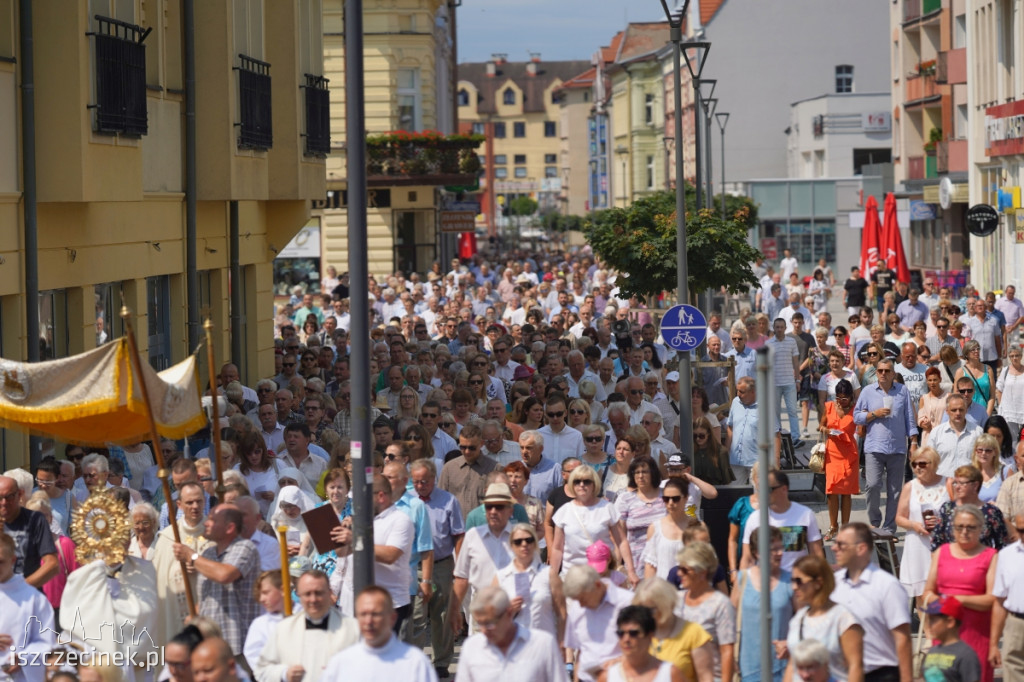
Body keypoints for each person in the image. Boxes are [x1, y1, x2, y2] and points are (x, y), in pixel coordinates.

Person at [172, 505, 260, 660]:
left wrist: (191, 556)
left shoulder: (245, 547)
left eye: (212, 519)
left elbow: (224, 575)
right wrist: (194, 615)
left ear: (229, 528)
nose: (206, 522)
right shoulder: (208, 553)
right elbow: (206, 595)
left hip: (235, 647)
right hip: (206, 645)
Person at [922, 504, 998, 682]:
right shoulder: (942, 552)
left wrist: (959, 599)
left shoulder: (990, 555)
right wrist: (939, 601)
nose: (964, 531)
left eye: (970, 527)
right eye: (959, 527)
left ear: (981, 529)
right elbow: (927, 592)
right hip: (945, 633)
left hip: (976, 633)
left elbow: (993, 599)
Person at [830, 522, 912, 682]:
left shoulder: (887, 586)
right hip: (840, 675)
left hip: (878, 674)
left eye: (840, 544)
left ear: (861, 548)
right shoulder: (833, 584)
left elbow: (902, 638)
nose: (833, 548)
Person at [408, 459, 463, 679]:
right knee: (416, 616)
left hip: (442, 564)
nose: (420, 485)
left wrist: (458, 566)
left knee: (442, 615)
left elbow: (458, 535)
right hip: (414, 566)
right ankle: (415, 661)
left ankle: (441, 662)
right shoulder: (406, 500)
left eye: (425, 481)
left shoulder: (448, 500)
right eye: (416, 481)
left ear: (434, 479)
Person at [853, 358, 919, 534]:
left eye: (886, 371)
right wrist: (873, 414)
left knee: (895, 490)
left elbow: (910, 419)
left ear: (893, 374)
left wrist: (913, 442)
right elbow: (856, 417)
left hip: (897, 447)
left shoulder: (902, 391)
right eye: (880, 371)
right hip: (874, 447)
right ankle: (875, 523)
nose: (882, 374)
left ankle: (889, 529)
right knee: (873, 485)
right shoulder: (868, 391)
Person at [320, 586, 438, 682]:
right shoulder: (341, 662)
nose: (369, 621)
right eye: (363, 614)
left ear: (392, 618)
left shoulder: (415, 662)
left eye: (376, 614)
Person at [549, 465, 639, 587]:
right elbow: (557, 548)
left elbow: (622, 541)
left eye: (586, 481)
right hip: (572, 576)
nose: (581, 485)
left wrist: (631, 571)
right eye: (577, 481)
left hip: (602, 576)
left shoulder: (607, 508)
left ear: (594, 484)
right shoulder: (564, 511)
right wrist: (553, 576)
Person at [455, 585, 566, 682]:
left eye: (489, 623)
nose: (484, 630)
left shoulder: (542, 644)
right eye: (480, 623)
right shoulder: (472, 647)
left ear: (508, 613)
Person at [448, 482, 515, 634]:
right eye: (488, 507)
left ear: (510, 510)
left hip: (513, 609)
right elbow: (461, 577)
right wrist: (454, 610)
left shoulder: (521, 537)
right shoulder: (473, 536)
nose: (492, 511)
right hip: (481, 608)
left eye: (499, 507)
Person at [785, 555, 864, 682]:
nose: (794, 587)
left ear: (818, 583)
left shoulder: (843, 619)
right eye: (792, 581)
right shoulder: (798, 619)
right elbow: (791, 665)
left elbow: (855, 666)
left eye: (799, 581)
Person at [731, 526, 792, 682]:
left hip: (783, 670)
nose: (780, 553)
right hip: (747, 669)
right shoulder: (742, 579)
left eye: (780, 548)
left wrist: (791, 643)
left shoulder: (791, 581)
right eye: (773, 549)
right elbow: (729, 620)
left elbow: (806, 620)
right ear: (757, 552)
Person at [562, 564, 635, 682]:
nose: (581, 605)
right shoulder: (577, 607)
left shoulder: (627, 603)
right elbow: (581, 651)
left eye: (583, 599)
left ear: (597, 585)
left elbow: (643, 646)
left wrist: (617, 662)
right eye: (577, 600)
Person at [675, 541, 736, 682]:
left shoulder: (720, 604)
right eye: (679, 568)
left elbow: (727, 650)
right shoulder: (677, 600)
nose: (679, 573)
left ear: (702, 572)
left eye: (685, 570)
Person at [894, 446, 949, 600]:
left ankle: (938, 623)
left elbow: (958, 512)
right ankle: (925, 625)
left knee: (942, 593)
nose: (918, 467)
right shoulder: (910, 487)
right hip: (917, 544)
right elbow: (899, 518)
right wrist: (914, 525)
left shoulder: (948, 484)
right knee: (921, 595)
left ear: (934, 463)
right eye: (914, 464)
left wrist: (942, 523)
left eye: (922, 464)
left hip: (942, 545)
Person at [742, 469, 825, 571]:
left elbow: (816, 553)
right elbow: (747, 558)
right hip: (766, 583)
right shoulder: (755, 518)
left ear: (784, 489)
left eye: (768, 489)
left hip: (797, 582)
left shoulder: (805, 515)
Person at [0, 531, 54, 682]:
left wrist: (24, 658)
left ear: (12, 560)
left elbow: (46, 642)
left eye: (0, 562)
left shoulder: (34, 599)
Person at [493, 523, 555, 637]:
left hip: (543, 646)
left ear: (535, 543)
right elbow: (491, 616)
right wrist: (509, 610)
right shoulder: (501, 577)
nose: (524, 544)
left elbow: (562, 612)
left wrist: (564, 647)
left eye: (529, 540)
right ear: (511, 545)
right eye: (518, 541)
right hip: (513, 647)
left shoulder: (549, 574)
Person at [594, 605, 684, 682]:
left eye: (633, 633)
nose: (626, 639)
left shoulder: (671, 674)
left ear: (650, 635)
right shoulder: (608, 677)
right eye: (621, 633)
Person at [931, 465, 1008, 551]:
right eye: (955, 483)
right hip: (951, 562)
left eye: (962, 483)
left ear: (975, 485)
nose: (957, 487)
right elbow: (936, 542)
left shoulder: (991, 512)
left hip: (982, 562)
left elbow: (1002, 545)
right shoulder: (947, 508)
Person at [817, 379, 859, 539]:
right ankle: (833, 526)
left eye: (844, 398)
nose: (841, 402)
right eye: (838, 398)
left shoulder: (856, 410)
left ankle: (845, 528)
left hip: (849, 454)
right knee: (832, 491)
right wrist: (826, 430)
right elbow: (821, 425)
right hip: (832, 453)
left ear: (851, 398)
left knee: (846, 493)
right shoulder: (828, 407)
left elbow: (861, 431)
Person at [0, 475, 57, 588]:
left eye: (9, 496)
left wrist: (20, 588)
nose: (4, 503)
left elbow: (52, 564)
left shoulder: (35, 519)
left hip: (27, 596)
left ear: (20, 494)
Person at [725, 377, 781, 484]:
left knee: (759, 495)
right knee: (733, 493)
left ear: (753, 392)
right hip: (735, 460)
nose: (738, 394)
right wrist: (726, 452)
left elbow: (775, 434)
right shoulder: (735, 402)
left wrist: (776, 459)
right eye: (737, 390)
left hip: (757, 462)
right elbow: (730, 427)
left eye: (742, 392)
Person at [614, 457, 665, 571]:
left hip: (664, 562)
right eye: (637, 472)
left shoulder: (667, 495)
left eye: (644, 472)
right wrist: (617, 565)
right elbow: (620, 538)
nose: (640, 476)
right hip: (635, 564)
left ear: (653, 473)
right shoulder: (624, 499)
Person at [989, 512, 1024, 677]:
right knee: (1013, 671)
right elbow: (999, 601)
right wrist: (994, 643)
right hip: (1016, 624)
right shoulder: (1006, 555)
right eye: (1022, 530)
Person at [920, 596, 982, 682]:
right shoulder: (931, 651)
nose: (929, 624)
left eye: (933, 620)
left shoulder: (966, 655)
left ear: (950, 622)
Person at [642, 477, 689, 580]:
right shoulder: (655, 528)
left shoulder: (697, 527)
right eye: (666, 499)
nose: (670, 503)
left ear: (686, 498)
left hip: (691, 592)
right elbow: (650, 566)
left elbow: (707, 564)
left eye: (675, 498)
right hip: (663, 592)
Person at [767, 317, 803, 448]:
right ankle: (779, 438)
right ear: (774, 328)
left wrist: (798, 379)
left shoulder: (792, 342)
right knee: (776, 413)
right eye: (777, 327)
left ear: (785, 328)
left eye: (782, 327)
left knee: (792, 410)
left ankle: (795, 437)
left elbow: (796, 362)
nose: (779, 329)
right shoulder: (769, 344)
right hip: (774, 383)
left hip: (789, 382)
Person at [956, 340, 996, 416]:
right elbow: (956, 394)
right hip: (966, 413)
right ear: (966, 353)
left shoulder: (988, 369)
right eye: (973, 349)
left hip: (984, 411)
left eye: (978, 348)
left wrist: (987, 414)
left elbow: (992, 395)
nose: (976, 351)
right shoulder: (960, 372)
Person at [691, 417, 734, 486]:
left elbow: (726, 481)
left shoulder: (721, 452)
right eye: (695, 436)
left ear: (708, 434)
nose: (698, 439)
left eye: (701, 436)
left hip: (717, 492)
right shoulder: (690, 452)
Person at [996, 345, 1024, 446]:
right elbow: (999, 389)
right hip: (1009, 410)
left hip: (1022, 408)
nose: (1014, 358)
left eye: (1017, 355)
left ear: (1021, 356)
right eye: (1012, 356)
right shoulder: (1005, 371)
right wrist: (1001, 405)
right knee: (1012, 440)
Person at [917, 367, 948, 447]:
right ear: (927, 381)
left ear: (940, 380)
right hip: (928, 436)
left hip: (943, 435)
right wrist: (924, 423)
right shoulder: (923, 398)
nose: (932, 383)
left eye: (935, 380)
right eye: (930, 380)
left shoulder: (948, 396)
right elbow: (920, 419)